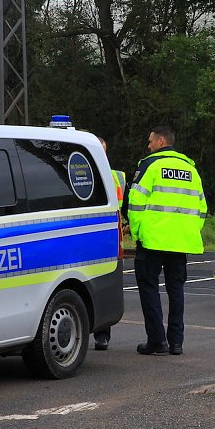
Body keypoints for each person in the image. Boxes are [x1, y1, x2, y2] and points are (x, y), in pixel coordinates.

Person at [124, 126, 207, 355]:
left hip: (153, 240)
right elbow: (201, 208)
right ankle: (177, 342)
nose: (148, 145)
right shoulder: (190, 169)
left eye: (150, 141)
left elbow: (135, 204)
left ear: (161, 141)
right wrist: (187, 230)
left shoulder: (150, 165)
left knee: (149, 288)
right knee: (176, 289)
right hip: (181, 242)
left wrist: (138, 233)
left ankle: (157, 341)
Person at [93, 136, 127, 351]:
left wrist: (128, 225)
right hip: (87, 234)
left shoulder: (117, 177)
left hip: (109, 238)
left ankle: (102, 335)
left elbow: (129, 205)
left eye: (103, 151)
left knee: (104, 286)